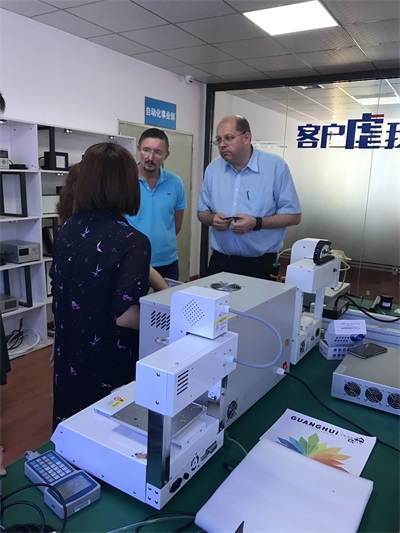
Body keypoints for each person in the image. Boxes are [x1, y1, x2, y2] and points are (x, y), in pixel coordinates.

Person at [50, 142, 153, 429]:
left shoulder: (67, 229)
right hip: (108, 359)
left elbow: (59, 289)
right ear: (127, 185)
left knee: (72, 425)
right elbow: (126, 315)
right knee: (109, 430)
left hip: (70, 350)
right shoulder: (133, 241)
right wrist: (168, 324)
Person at [197, 115, 301, 281]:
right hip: (220, 262)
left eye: (228, 138)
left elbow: (294, 216)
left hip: (260, 264)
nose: (222, 145)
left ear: (246, 137)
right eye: (219, 140)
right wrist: (212, 219)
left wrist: (256, 223)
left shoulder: (275, 167)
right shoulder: (213, 169)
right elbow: (202, 212)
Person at [125, 128, 186, 281]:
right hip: (132, 259)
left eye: (158, 152)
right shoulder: (124, 180)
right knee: (132, 298)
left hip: (167, 261)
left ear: (166, 155)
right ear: (138, 149)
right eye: (146, 150)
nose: (150, 157)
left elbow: (177, 225)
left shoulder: (175, 182)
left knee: (168, 297)